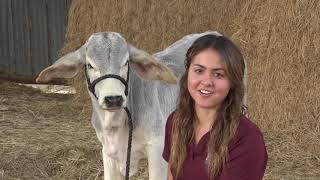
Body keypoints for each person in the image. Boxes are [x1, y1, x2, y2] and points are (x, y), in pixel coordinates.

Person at [162, 34, 268, 180]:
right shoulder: (175, 121)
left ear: (233, 82)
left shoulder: (247, 138)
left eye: (218, 74)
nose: (206, 82)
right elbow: (171, 175)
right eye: (199, 70)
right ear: (187, 74)